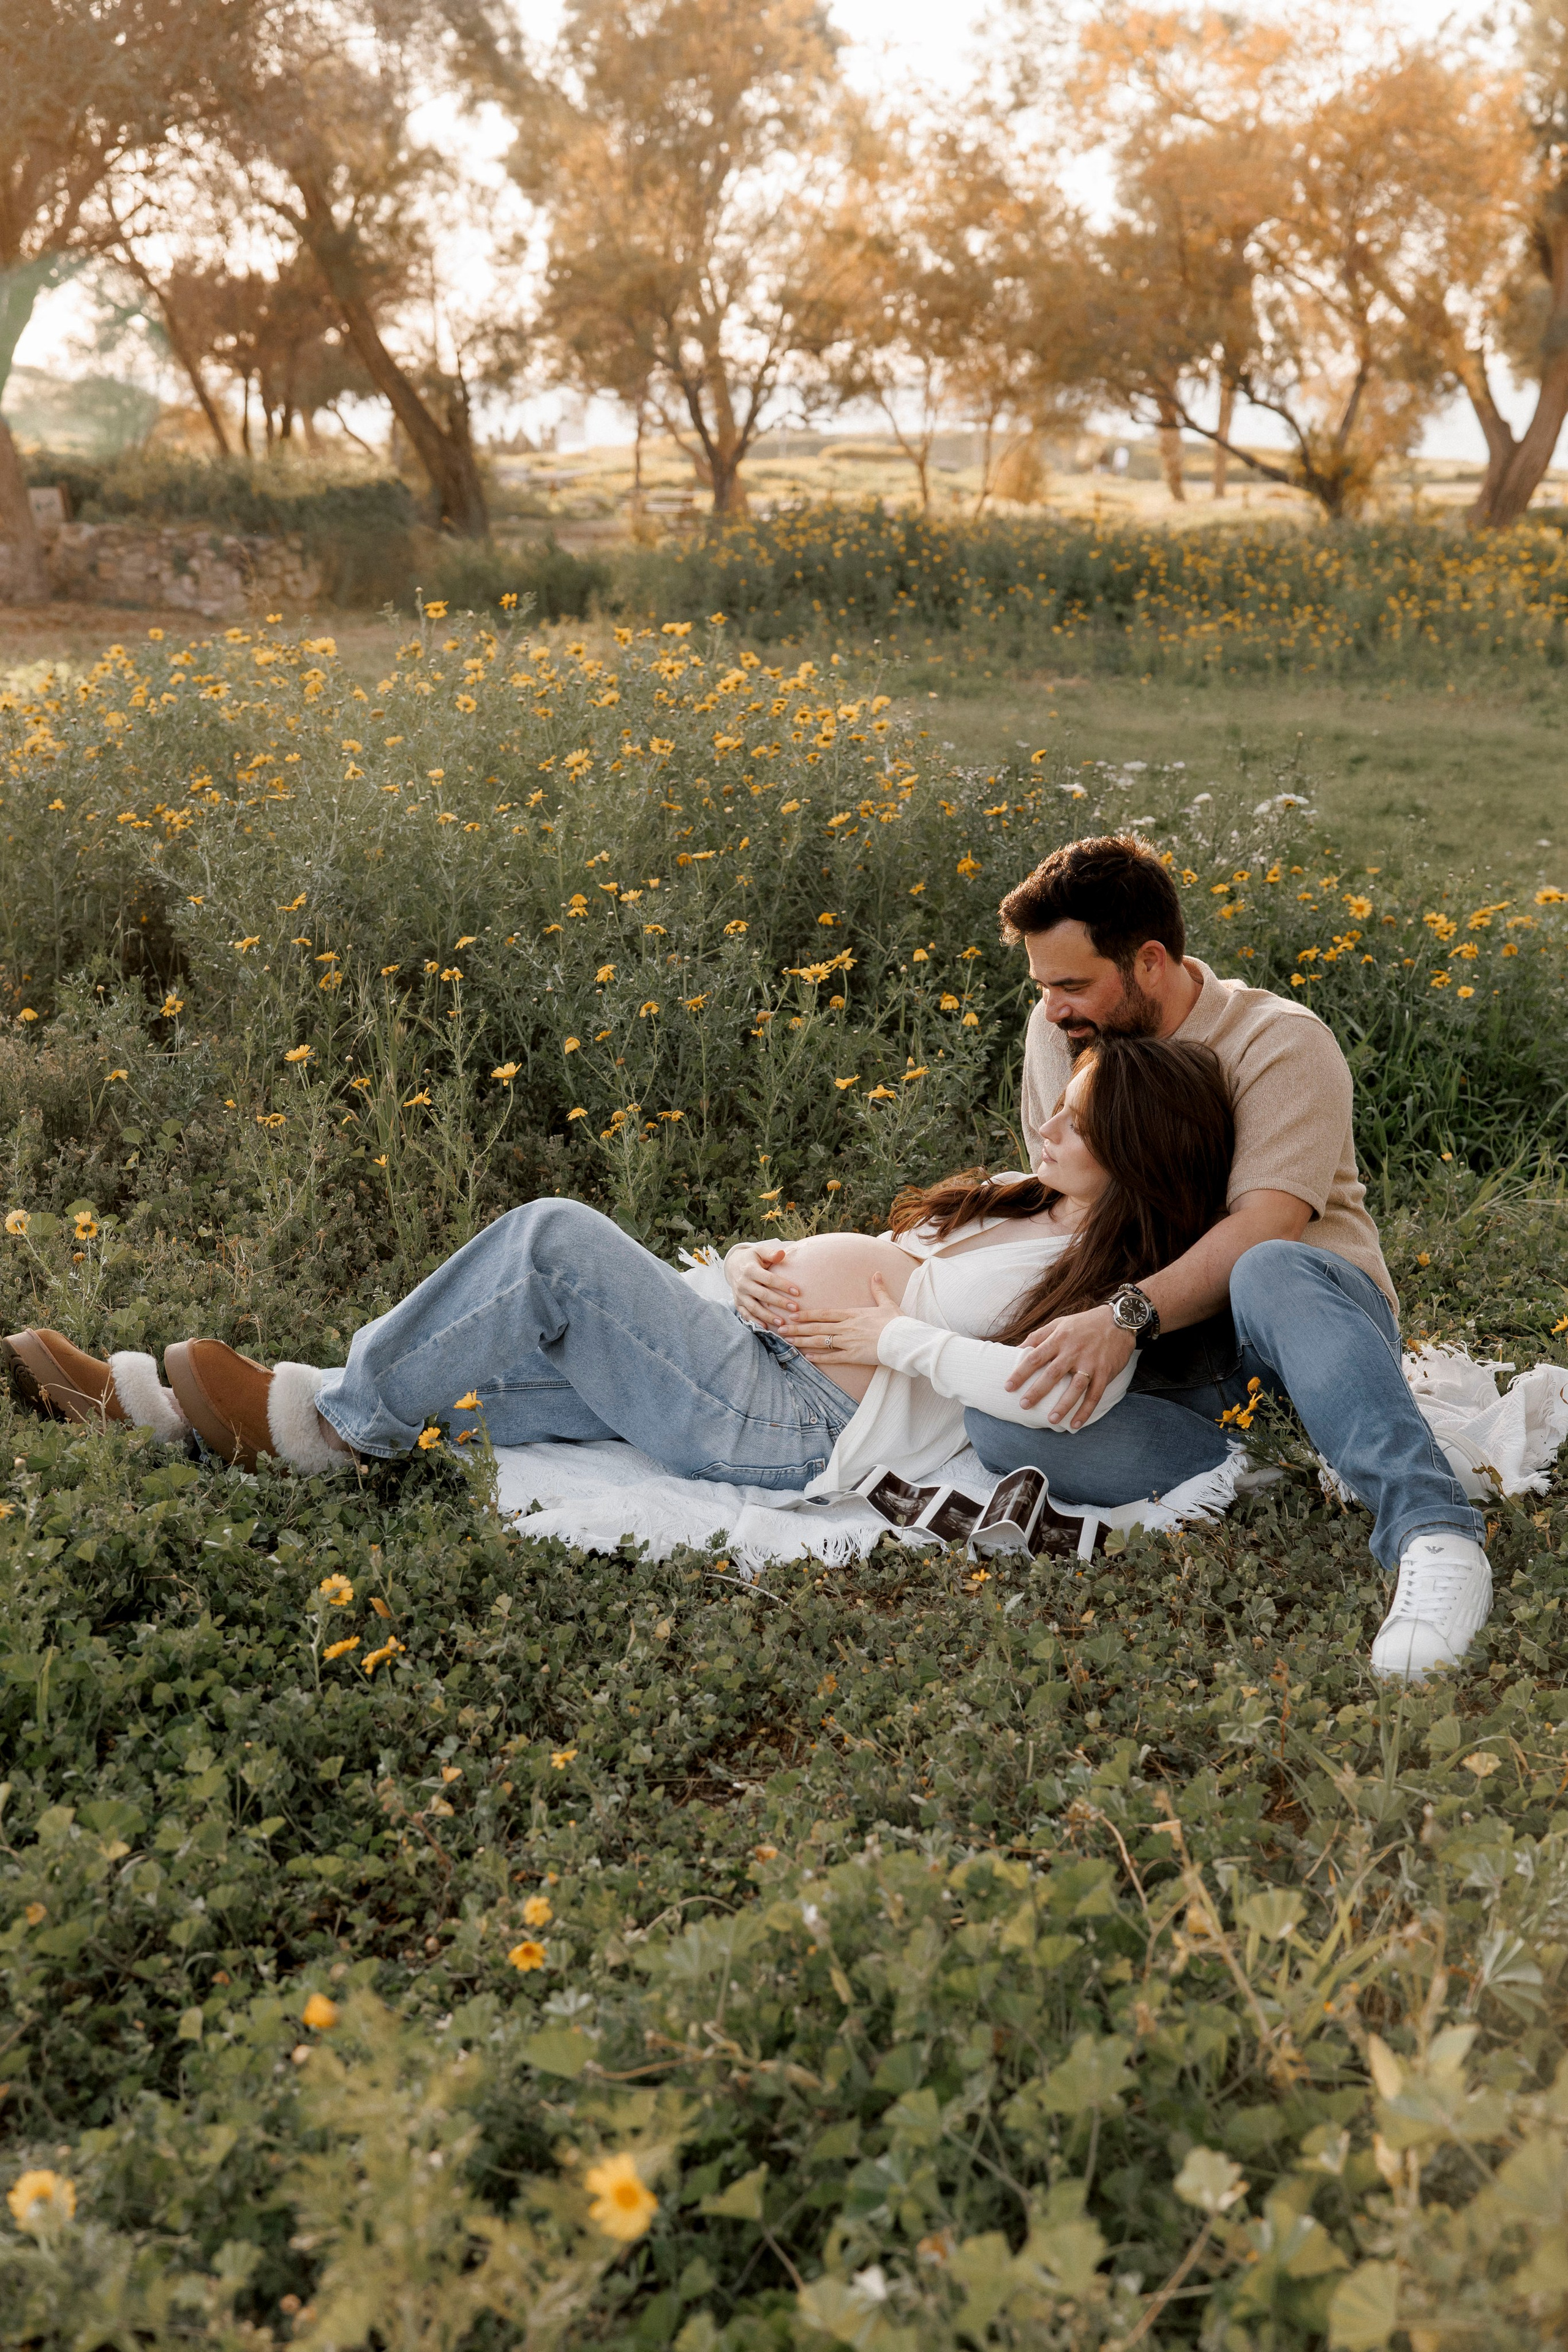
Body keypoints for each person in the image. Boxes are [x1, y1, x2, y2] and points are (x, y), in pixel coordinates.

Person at [4, 1035, 1232, 1515]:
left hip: (793, 1423)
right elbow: (884, 1270)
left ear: (1137, 1151)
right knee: (484, 1375)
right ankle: (149, 1410)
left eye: (1073, 1126)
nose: (1044, 1133)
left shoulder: (1113, 1279)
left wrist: (892, 1341)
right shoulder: (1032, 1204)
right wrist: (762, 1272)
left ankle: (328, 1424)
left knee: (549, 1241)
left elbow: (1032, 1394)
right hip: (756, 1357)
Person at [952, 831, 1490, 1683]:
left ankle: (1434, 1534)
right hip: (1168, 1353)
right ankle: (1249, 1467)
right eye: (1043, 986)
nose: (1054, 1008)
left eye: (1072, 983)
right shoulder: (1061, 1027)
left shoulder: (1279, 1042)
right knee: (1000, 1414)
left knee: (1266, 1268)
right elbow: (1072, 1201)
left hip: (1298, 1322)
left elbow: (1265, 1228)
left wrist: (1121, 1318)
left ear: (1152, 961)